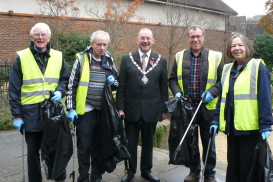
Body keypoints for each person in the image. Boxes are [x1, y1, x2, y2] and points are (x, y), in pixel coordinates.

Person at [8, 22, 69, 182]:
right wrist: (17, 116)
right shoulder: (21, 58)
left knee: (55, 150)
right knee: (33, 153)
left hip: (53, 113)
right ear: (32, 37)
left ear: (49, 38)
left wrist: (60, 91)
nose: (40, 38)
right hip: (31, 114)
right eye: (37, 34)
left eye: (43, 35)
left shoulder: (58, 56)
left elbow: (65, 79)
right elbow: (14, 89)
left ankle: (59, 179)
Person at [210, 33, 273, 182]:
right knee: (233, 166)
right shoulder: (227, 70)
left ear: (247, 47)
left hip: (250, 129)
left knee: (248, 169)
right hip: (232, 128)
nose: (236, 48)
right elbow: (222, 99)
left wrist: (266, 124)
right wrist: (215, 120)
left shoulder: (258, 68)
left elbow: (265, 98)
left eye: (240, 45)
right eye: (233, 46)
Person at [169, 26, 223, 182]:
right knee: (191, 142)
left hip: (207, 108)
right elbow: (172, 79)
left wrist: (212, 93)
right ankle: (194, 172)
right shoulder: (179, 56)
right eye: (192, 37)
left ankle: (209, 174)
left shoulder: (216, 56)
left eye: (198, 36)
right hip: (188, 108)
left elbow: (222, 81)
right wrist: (177, 92)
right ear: (188, 38)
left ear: (203, 37)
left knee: (208, 144)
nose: (195, 39)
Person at [116, 28, 168, 182]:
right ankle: (129, 171)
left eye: (148, 38)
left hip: (151, 110)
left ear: (153, 41)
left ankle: (146, 170)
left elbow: (163, 87)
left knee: (148, 143)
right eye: (142, 38)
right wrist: (120, 107)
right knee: (130, 144)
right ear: (137, 40)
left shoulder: (161, 60)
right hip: (130, 110)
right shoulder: (127, 59)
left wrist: (164, 108)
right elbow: (121, 86)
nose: (145, 41)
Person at [66, 30, 118, 182]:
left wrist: (112, 81)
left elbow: (116, 82)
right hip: (86, 109)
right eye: (99, 44)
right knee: (84, 146)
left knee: (99, 145)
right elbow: (71, 85)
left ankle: (96, 176)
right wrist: (71, 108)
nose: (102, 48)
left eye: (105, 45)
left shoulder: (109, 59)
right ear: (91, 44)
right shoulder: (81, 59)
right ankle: (83, 176)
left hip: (103, 110)